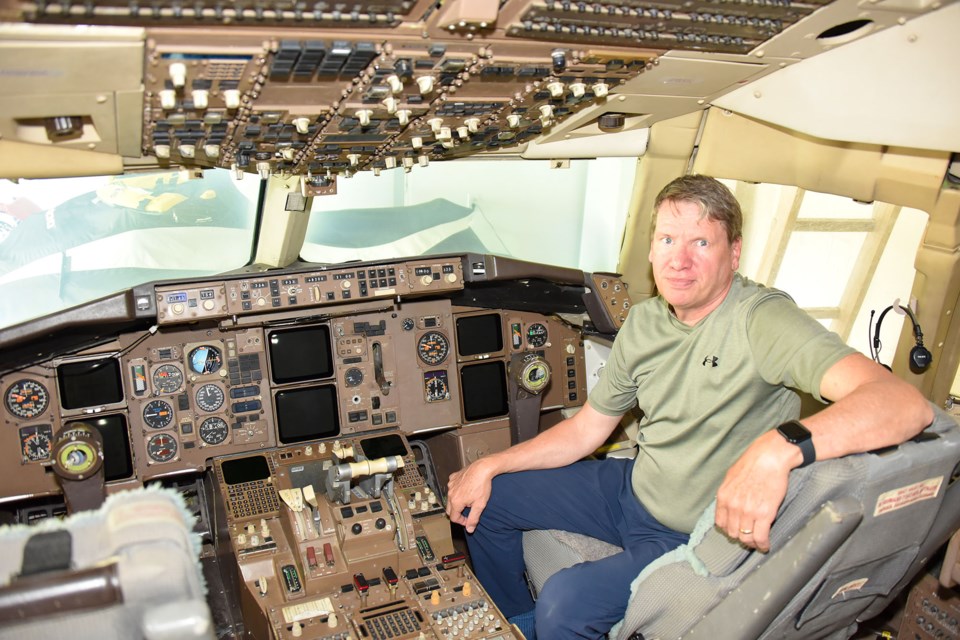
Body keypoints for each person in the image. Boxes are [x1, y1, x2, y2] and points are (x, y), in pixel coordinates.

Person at [445, 174, 933, 639]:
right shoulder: (645, 322)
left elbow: (902, 403)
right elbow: (588, 428)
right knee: (488, 497)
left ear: (733, 253)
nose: (679, 260)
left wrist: (777, 450)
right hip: (633, 488)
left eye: (701, 242)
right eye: (666, 240)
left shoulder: (760, 319)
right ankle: (511, 623)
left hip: (693, 529)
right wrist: (490, 464)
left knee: (565, 605)